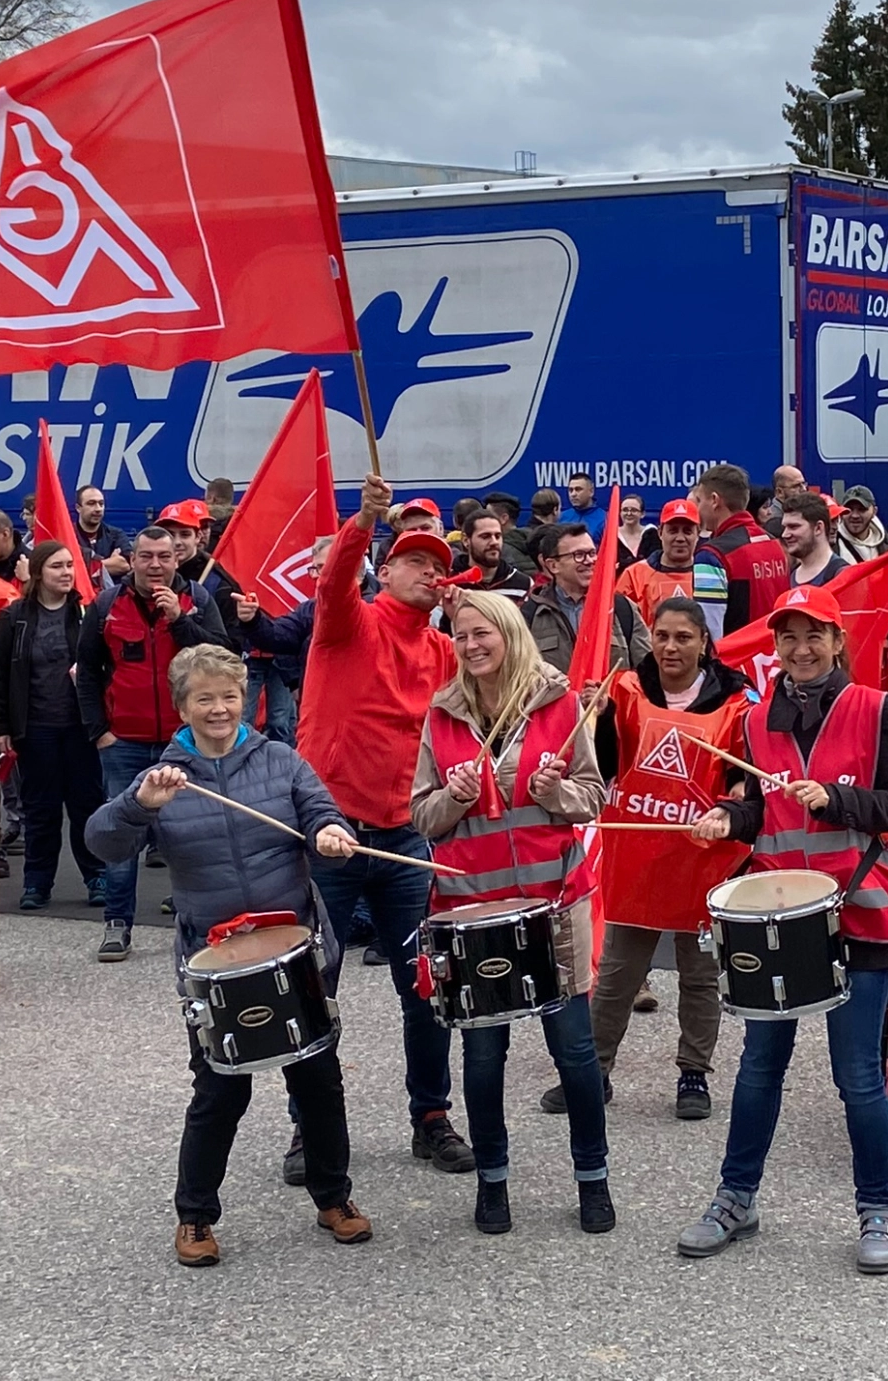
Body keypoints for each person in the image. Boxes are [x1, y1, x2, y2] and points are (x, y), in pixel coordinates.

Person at [84, 644, 370, 1266]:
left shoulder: (280, 760)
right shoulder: (161, 778)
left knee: (318, 1079)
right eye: (204, 698)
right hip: (212, 959)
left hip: (292, 949)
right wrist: (140, 807)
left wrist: (330, 832)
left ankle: (333, 1198)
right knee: (219, 1089)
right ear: (183, 706)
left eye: (229, 696)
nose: (219, 708)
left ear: (247, 699)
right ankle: (194, 1216)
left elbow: (323, 811)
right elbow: (104, 844)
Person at [677, 585, 888, 1275]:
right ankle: (736, 1198)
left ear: (838, 641)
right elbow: (759, 809)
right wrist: (730, 819)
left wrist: (838, 798)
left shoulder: (879, 710)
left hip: (862, 912)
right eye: (787, 637)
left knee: (858, 1077)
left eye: (814, 634)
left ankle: (878, 1209)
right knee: (759, 1067)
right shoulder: (756, 722)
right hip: (776, 918)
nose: (800, 648)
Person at [410, 592, 614, 1236]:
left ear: (509, 633)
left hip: (554, 904)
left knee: (576, 1054)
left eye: (482, 633)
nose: (471, 646)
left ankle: (592, 1179)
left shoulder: (557, 702)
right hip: (474, 908)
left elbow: (593, 796)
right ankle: (493, 1181)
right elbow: (421, 817)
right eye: (460, 636)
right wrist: (452, 796)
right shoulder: (441, 715)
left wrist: (558, 793)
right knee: (483, 1058)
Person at [297, 474, 472, 1174]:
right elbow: (335, 583)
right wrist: (362, 523)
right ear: (387, 567)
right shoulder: (350, 621)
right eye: (417, 560)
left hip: (406, 835)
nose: (431, 572)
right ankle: (309, 1127)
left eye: (440, 566)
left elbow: (499, 680)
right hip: (330, 830)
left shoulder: (445, 650)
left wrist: (469, 615)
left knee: (426, 987)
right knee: (314, 986)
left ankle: (431, 1115)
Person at [542, 597, 752, 1122]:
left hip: (704, 857)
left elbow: (743, 781)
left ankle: (694, 1073)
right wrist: (600, 721)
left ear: (705, 642)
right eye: (662, 636)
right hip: (639, 856)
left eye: (684, 637)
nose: (671, 646)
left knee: (700, 975)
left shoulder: (737, 704)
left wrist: (729, 810)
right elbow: (607, 767)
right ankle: (593, 1071)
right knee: (616, 975)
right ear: (650, 639)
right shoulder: (626, 692)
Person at [75, 526, 231, 963]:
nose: (156, 565)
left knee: (194, 834)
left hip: (184, 742)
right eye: (147, 557)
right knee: (123, 836)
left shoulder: (197, 601)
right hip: (123, 740)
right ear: (132, 559)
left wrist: (181, 622)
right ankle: (117, 924)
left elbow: (222, 659)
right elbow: (87, 671)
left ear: (176, 560)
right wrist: (99, 732)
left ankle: (201, 923)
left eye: (164, 557)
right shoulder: (106, 606)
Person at [0, 541, 108, 912]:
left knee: (87, 805)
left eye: (71, 565)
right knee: (41, 810)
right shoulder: (15, 618)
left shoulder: (87, 614)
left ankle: (96, 876)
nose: (67, 573)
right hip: (35, 727)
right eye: (58, 566)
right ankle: (37, 882)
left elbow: (108, 665)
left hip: (80, 727)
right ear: (38, 573)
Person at [522, 524, 652, 688]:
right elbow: (519, 674)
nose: (590, 561)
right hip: (555, 711)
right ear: (553, 565)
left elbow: (648, 671)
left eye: (592, 553)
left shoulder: (622, 609)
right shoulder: (530, 614)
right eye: (579, 555)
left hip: (611, 711)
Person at [694, 463, 788, 633]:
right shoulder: (774, 544)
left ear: (714, 500)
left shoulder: (711, 556)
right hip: (774, 655)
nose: (697, 508)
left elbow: (709, 631)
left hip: (736, 657)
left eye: (699, 500)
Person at [617, 499, 727, 637]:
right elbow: (619, 628)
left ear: (697, 534)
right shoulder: (634, 576)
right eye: (673, 531)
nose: (680, 538)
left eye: (687, 531)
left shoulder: (710, 575)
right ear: (660, 533)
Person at [159, 501, 245, 651]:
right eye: (170, 535)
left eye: (185, 534)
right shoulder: (145, 577)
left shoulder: (218, 584)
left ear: (198, 537)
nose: (177, 542)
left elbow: (231, 648)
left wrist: (183, 622)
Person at [453, 510, 532, 603]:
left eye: (498, 536)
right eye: (485, 536)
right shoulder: (451, 582)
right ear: (466, 540)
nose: (494, 542)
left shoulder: (523, 584)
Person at [780, 492, 848, 588]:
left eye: (793, 527)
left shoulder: (841, 575)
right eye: (785, 527)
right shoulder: (790, 576)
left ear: (818, 528)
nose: (785, 534)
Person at [75, 485, 129, 583]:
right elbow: (69, 570)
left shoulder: (116, 535)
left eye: (101, 504)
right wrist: (109, 564)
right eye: (91, 504)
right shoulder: (69, 535)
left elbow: (125, 565)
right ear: (78, 508)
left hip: (110, 596)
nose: (98, 509)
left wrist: (84, 568)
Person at [831, 485, 888, 566]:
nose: (855, 515)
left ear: (874, 511)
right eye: (849, 509)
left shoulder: (886, 545)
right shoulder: (830, 544)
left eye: (862, 509)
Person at [484, 492, 536, 574]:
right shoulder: (536, 543)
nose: (484, 521)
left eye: (489, 517)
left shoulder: (500, 552)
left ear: (504, 518)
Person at [616, 494, 659, 568]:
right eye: (625, 510)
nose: (629, 513)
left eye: (634, 510)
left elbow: (655, 561)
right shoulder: (612, 536)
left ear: (642, 514)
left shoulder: (652, 534)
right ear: (620, 513)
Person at [566, 473, 609, 542]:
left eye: (578, 489)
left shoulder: (605, 519)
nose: (573, 494)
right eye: (571, 490)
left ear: (591, 491)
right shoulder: (561, 517)